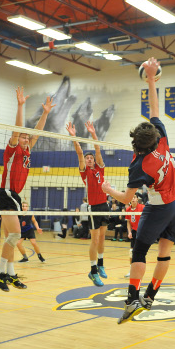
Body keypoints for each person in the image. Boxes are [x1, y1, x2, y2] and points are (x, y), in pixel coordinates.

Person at [101, 57, 175, 325]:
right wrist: (151, 78)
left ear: (136, 144)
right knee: (165, 253)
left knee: (138, 253)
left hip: (160, 207)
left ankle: (132, 299)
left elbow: (127, 199)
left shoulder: (139, 165)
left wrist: (108, 189)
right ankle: (150, 295)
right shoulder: (160, 137)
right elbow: (155, 106)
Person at [0, 87, 54, 292]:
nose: (26, 140)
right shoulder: (13, 149)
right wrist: (20, 106)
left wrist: (45, 113)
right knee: (15, 235)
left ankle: (10, 274)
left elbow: (38, 131)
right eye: (23, 138)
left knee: (12, 236)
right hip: (6, 194)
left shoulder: (28, 151)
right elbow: (17, 129)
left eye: (28, 138)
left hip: (13, 195)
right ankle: (0, 272)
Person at [67, 121, 109, 287]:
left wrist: (93, 133)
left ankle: (100, 264)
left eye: (91, 158)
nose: (89, 159)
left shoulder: (100, 168)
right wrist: (73, 136)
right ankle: (92, 272)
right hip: (94, 207)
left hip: (104, 206)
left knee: (102, 238)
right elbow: (79, 152)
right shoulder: (85, 172)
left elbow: (98, 149)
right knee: (94, 239)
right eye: (87, 158)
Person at [125, 198, 145, 278]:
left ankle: (140, 270)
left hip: (142, 231)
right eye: (131, 198)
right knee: (131, 252)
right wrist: (129, 232)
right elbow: (128, 222)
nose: (133, 199)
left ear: (137, 199)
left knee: (141, 252)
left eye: (134, 197)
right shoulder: (128, 209)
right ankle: (131, 271)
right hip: (134, 232)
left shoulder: (142, 207)